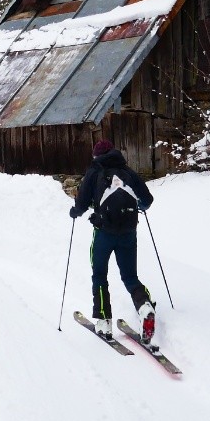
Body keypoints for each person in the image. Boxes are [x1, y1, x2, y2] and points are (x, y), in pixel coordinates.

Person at [69, 139, 157, 343]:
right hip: (128, 232)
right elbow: (147, 200)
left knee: (99, 275)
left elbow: (81, 203)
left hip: (103, 233)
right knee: (129, 277)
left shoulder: (94, 171)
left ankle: (104, 322)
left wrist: (75, 211)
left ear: (96, 156)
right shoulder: (127, 171)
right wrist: (138, 207)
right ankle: (145, 308)